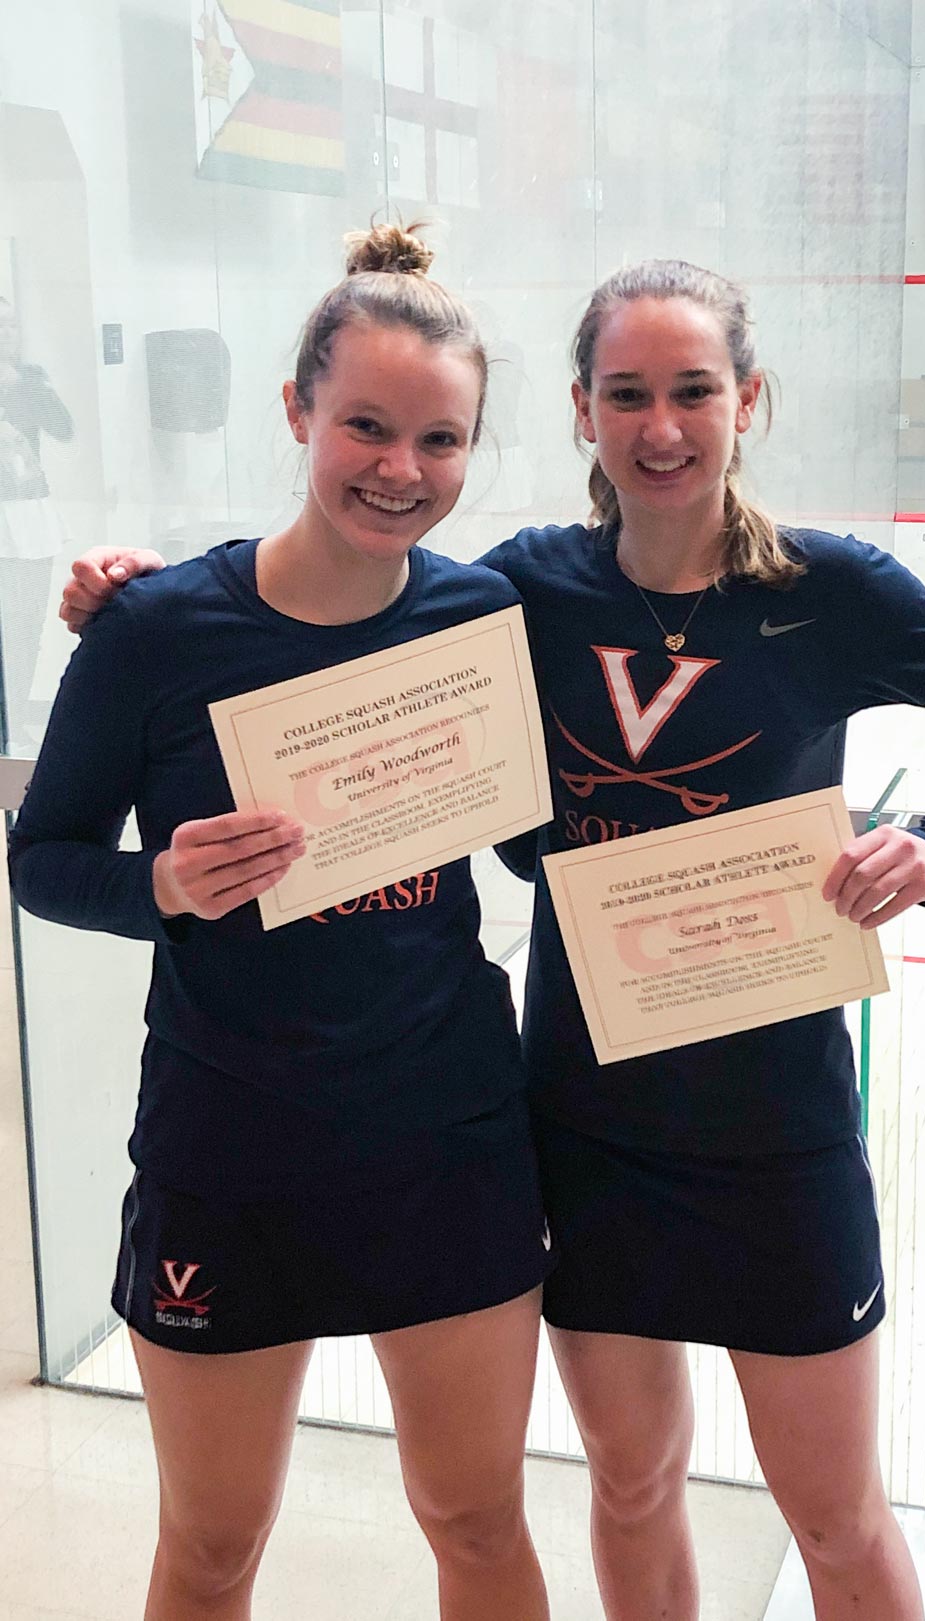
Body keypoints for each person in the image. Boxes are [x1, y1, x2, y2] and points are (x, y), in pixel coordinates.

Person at [62, 257, 925, 1621]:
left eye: (694, 391)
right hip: (581, 1114)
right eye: (627, 395)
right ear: (582, 412)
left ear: (747, 399)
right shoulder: (521, 592)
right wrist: (144, 603)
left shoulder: (815, 590)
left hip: (764, 1121)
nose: (662, 427)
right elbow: (341, 620)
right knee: (630, 1483)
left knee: (829, 1513)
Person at [12, 224, 554, 1621]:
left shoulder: (479, 614)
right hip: (228, 1147)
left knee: (481, 1520)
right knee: (209, 1549)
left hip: (449, 1136)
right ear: (298, 409)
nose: (400, 469)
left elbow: (529, 839)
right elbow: (43, 857)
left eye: (441, 441)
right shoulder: (153, 629)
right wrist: (163, 889)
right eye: (366, 425)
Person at [0, 294, 74, 747]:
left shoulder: (28, 381)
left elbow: (64, 429)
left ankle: (16, 717)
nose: (6, 334)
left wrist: (33, 388)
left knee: (27, 624)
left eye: (10, 324)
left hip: (29, 516)